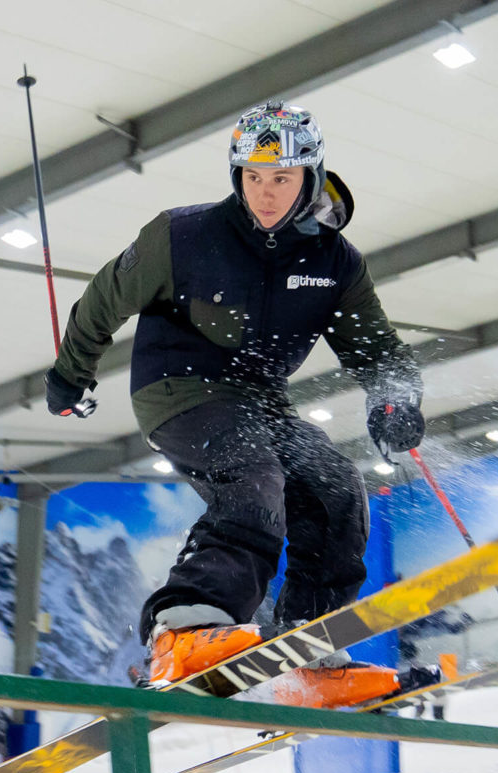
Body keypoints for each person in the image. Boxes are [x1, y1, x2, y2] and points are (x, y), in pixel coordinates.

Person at [44, 101, 423, 703]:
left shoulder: (335, 261)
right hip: (179, 387)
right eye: (252, 177)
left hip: (261, 401)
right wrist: (71, 373)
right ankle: (185, 627)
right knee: (252, 475)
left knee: (334, 488)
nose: (265, 194)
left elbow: (378, 351)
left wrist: (395, 402)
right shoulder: (184, 235)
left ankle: (308, 646)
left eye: (281, 179)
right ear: (236, 175)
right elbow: (103, 299)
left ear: (311, 177)